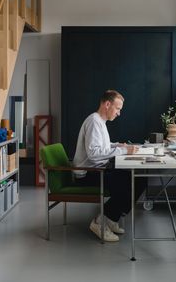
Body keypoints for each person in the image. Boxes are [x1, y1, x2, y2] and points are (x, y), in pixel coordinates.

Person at [72, 89, 146, 242]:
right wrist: (123, 150)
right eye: (118, 108)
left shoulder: (99, 121)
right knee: (126, 182)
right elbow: (94, 153)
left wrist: (116, 145)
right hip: (87, 173)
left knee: (139, 179)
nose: (119, 113)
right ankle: (100, 222)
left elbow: (101, 146)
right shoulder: (94, 122)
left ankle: (111, 219)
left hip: (98, 169)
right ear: (107, 104)